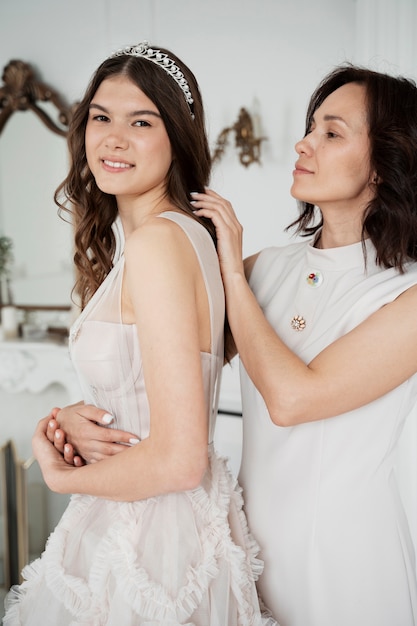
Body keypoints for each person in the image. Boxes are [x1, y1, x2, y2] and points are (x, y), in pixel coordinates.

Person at [54, 63, 417, 626]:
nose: (304, 142)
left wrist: (231, 269)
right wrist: (71, 420)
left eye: (332, 132)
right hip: (242, 553)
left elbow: (293, 398)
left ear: (385, 165)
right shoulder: (269, 268)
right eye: (310, 126)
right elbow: (155, 373)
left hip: (347, 563)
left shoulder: (408, 296)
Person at [3, 42, 277, 626]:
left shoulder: (158, 242)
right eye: (100, 117)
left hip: (150, 539)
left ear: (176, 137)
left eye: (141, 121)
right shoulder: (183, 236)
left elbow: (179, 459)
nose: (113, 138)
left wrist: (56, 472)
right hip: (167, 524)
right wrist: (64, 421)